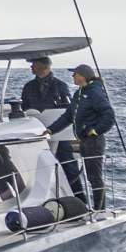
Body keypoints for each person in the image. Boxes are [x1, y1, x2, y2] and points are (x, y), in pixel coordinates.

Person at [43, 63, 117, 209]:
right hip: (84, 141)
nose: (73, 76)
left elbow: (109, 115)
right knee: (90, 176)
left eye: (75, 74)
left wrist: (96, 130)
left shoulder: (95, 93)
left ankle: (100, 209)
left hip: (94, 141)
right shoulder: (79, 94)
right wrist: (51, 130)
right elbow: (68, 116)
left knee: (94, 177)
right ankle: (95, 207)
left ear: (83, 76)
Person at [17, 55, 76, 184]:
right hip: (36, 132)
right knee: (37, 167)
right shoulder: (28, 87)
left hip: (58, 132)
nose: (31, 67)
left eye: (34, 64)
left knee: (68, 166)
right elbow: (24, 108)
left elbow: (67, 109)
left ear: (44, 66)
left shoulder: (60, 86)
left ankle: (79, 197)